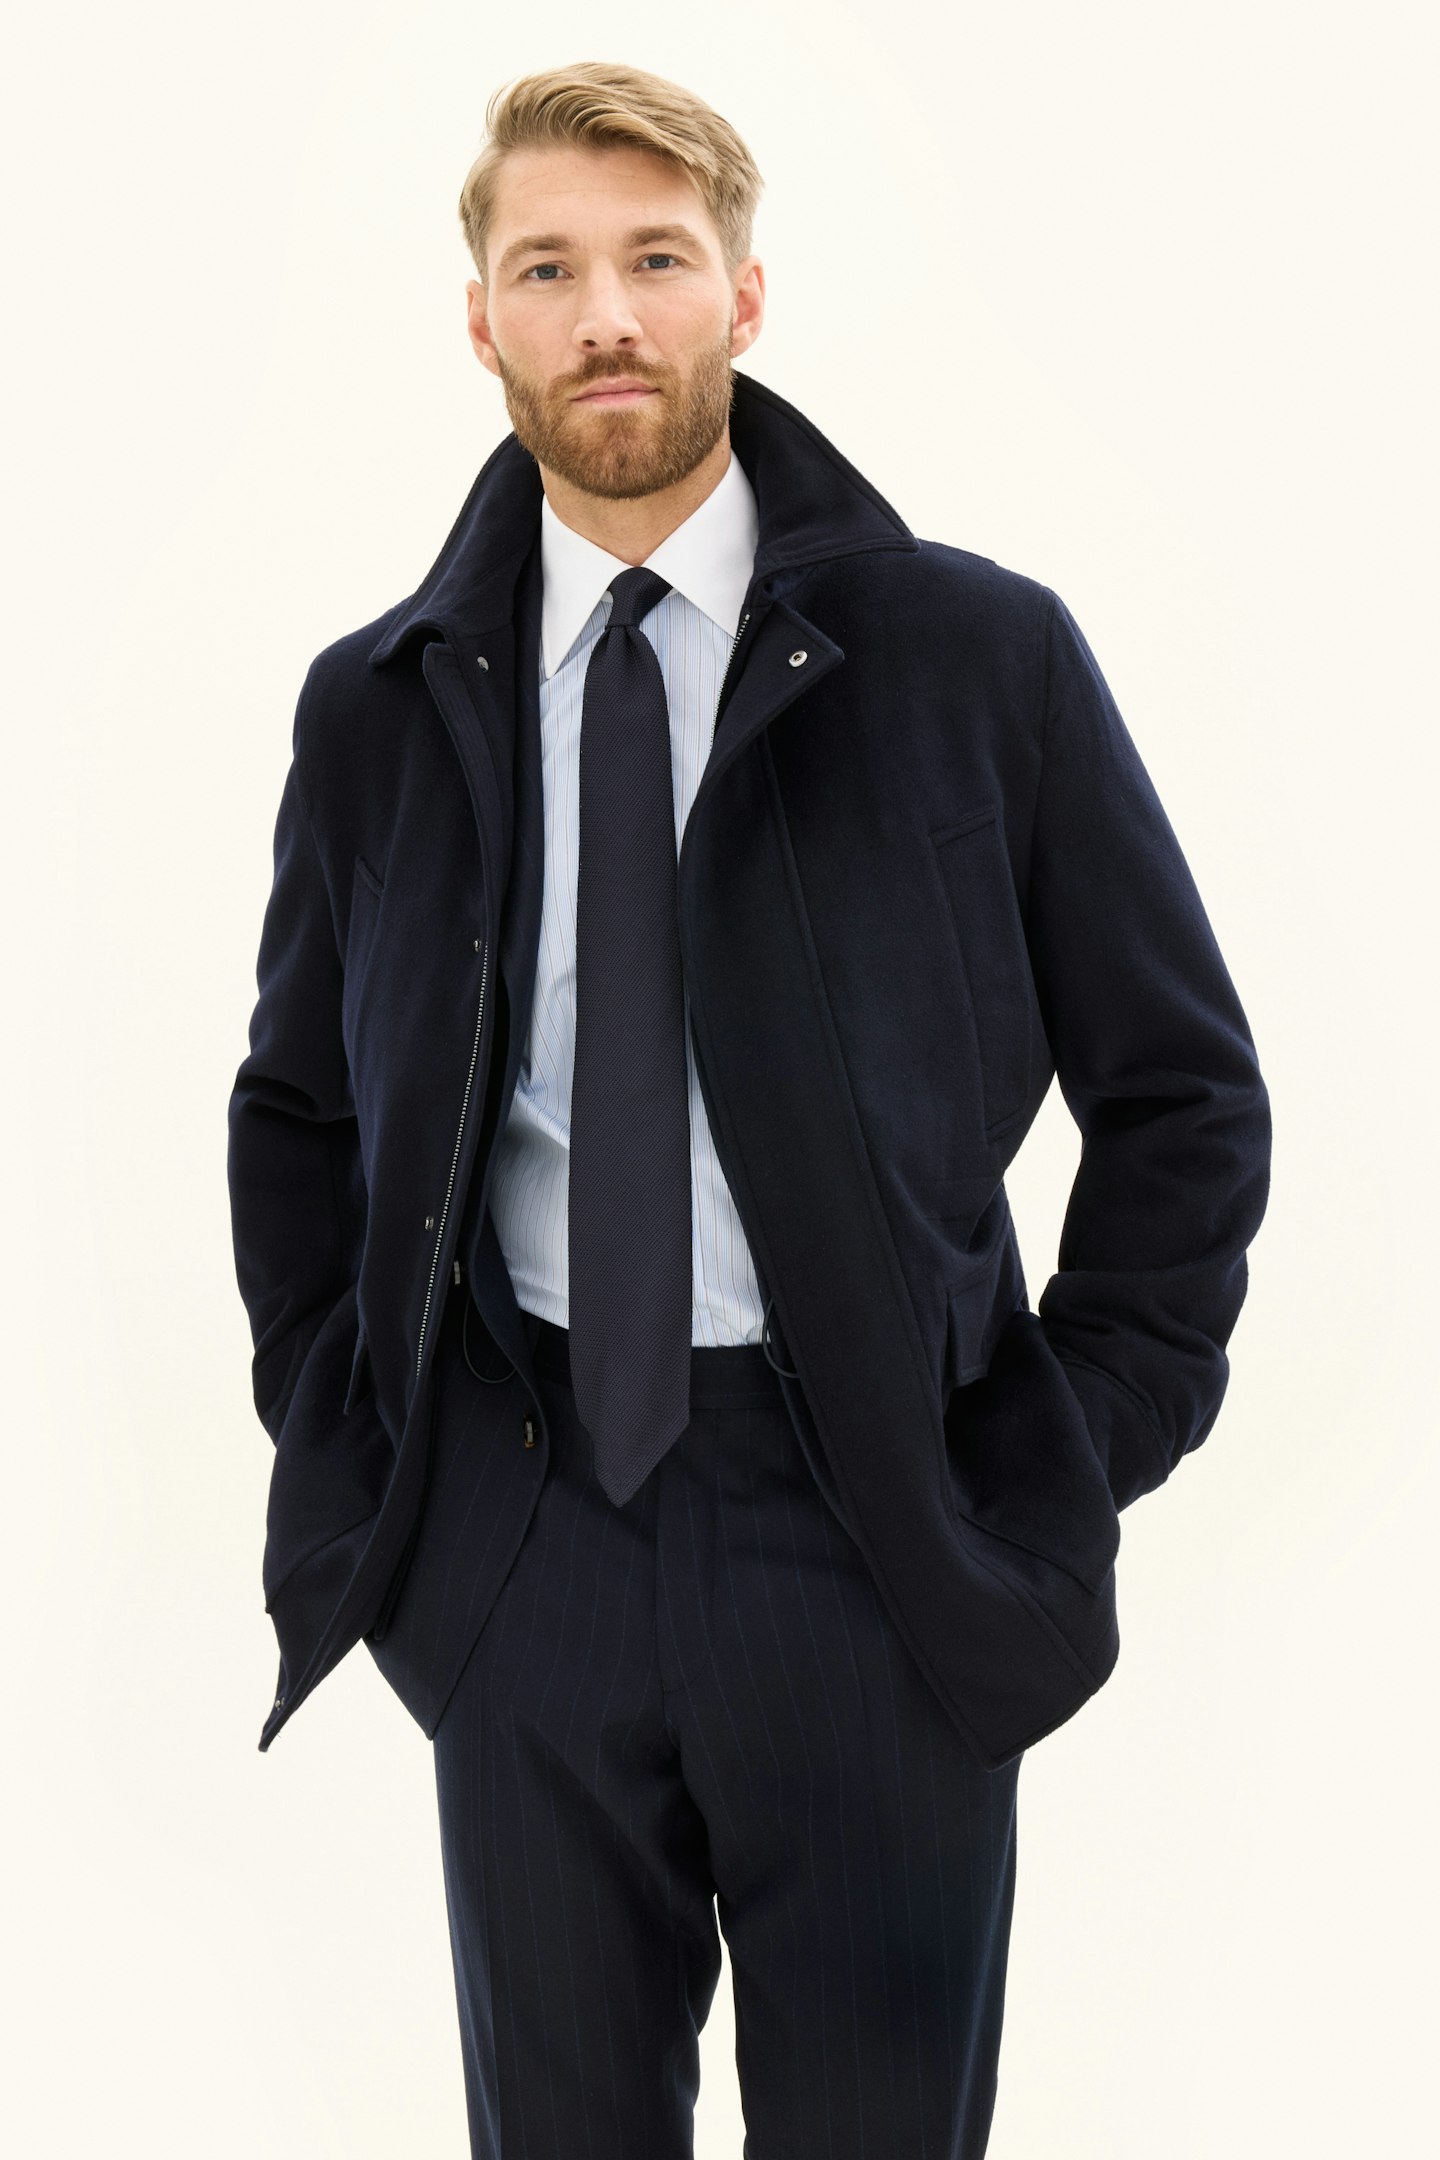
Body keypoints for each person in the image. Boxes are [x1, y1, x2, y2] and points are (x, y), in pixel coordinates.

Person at [227, 58, 1271, 2160]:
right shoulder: (380, 705)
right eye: (550, 268)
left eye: (658, 259)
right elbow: (298, 1109)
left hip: (877, 1533)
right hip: (526, 1533)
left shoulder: (977, 657)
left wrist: (1053, 1446)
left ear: (746, 295)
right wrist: (378, 1447)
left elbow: (1182, 1097)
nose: (607, 315)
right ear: (482, 318)